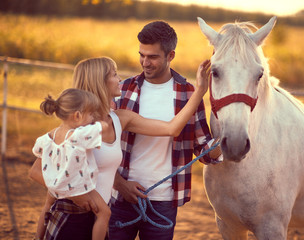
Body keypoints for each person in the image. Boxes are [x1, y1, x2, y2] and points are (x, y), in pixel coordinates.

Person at [29, 56, 214, 240]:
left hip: (100, 219)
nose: (120, 79)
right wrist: (75, 193)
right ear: (100, 82)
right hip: (72, 216)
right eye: (114, 74)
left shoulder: (120, 119)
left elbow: (172, 129)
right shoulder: (78, 129)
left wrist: (199, 91)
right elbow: (36, 171)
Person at [109, 21, 222, 240]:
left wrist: (224, 143)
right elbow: (102, 146)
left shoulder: (189, 94)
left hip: (163, 202)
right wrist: (121, 185)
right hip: (121, 199)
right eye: (141, 54)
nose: (145, 62)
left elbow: (203, 148)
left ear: (171, 55)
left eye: (152, 57)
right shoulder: (123, 90)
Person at [32, 88, 111, 240]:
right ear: (77, 115)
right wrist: (101, 122)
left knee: (47, 207)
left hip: (56, 186)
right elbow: (104, 127)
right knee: (104, 213)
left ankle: (38, 236)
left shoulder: (47, 138)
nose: (92, 117)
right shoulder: (78, 135)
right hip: (78, 187)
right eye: (90, 114)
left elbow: (38, 152)